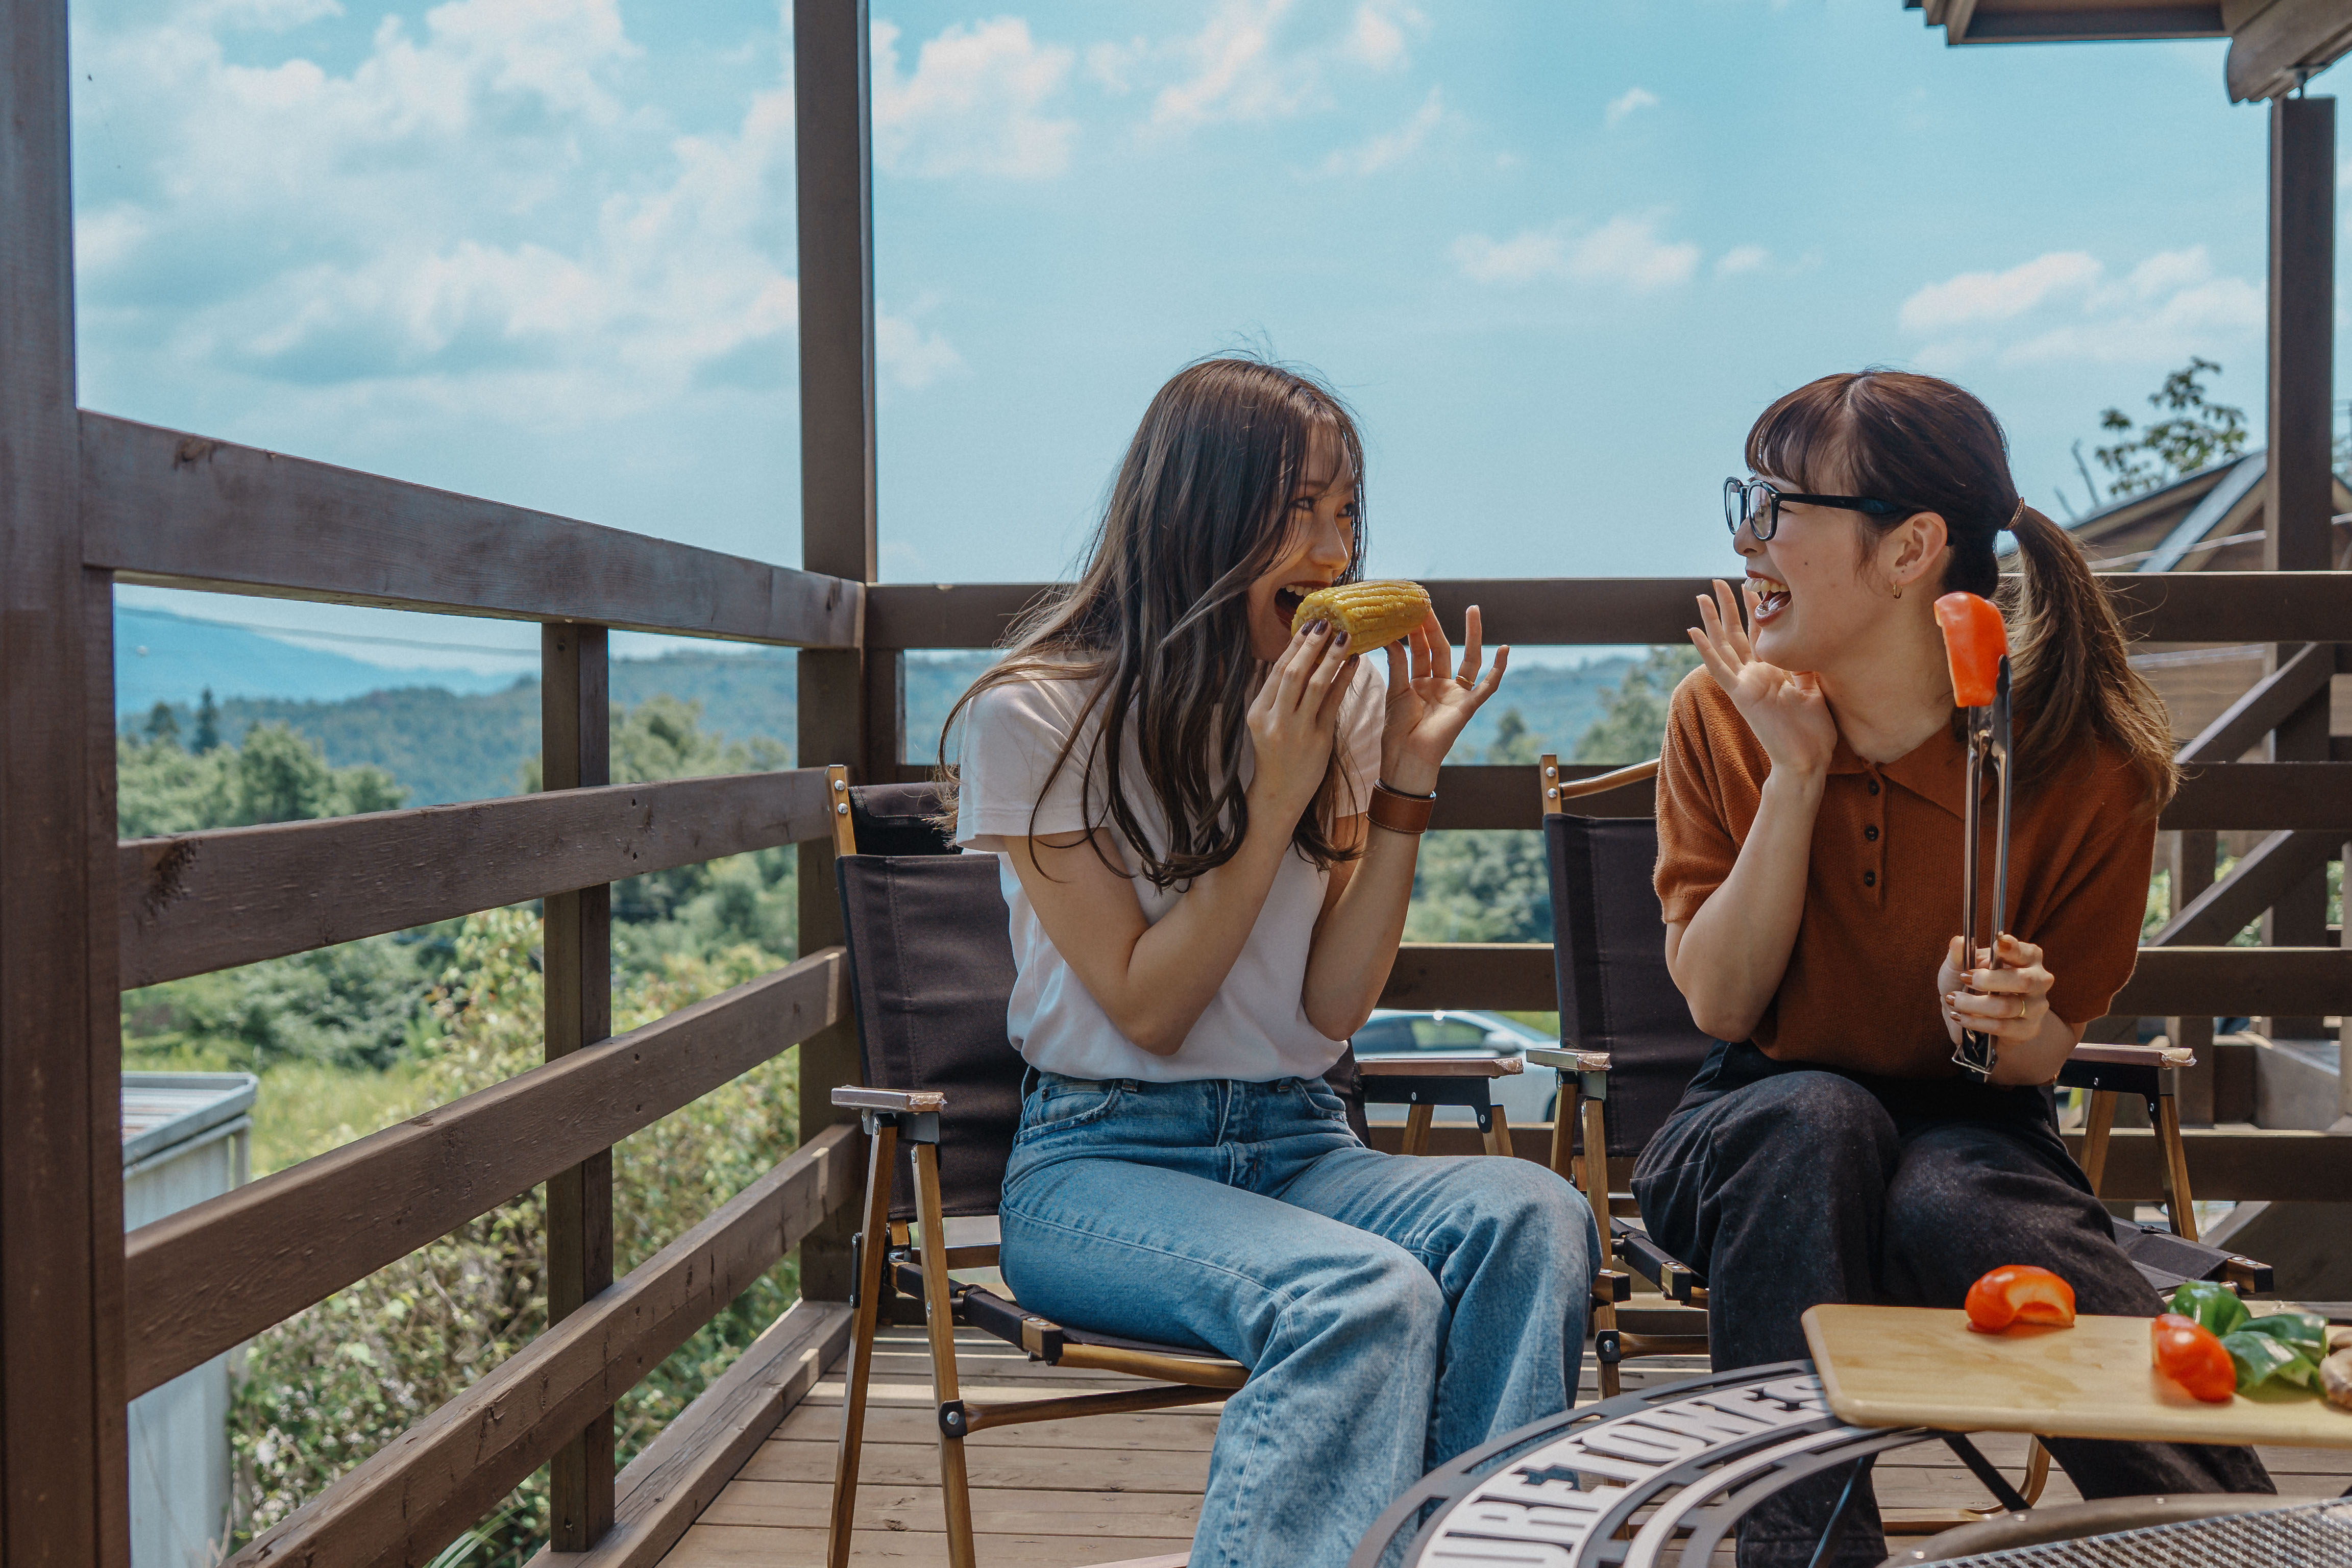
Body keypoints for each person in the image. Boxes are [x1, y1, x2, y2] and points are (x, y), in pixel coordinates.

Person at [945, 356, 1600, 1567]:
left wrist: (1405, 777)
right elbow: (1150, 1007)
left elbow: (1335, 1002)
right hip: (1101, 1162)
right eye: (1296, 508)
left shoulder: (1339, 705)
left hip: (1303, 1145)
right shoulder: (1034, 715)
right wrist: (1266, 805)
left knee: (1536, 1214)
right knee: (1363, 1296)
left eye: (1345, 511)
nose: (1332, 550)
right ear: (1196, 510)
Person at [1635, 370, 2273, 1567]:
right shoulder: (1717, 718)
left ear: (1912, 548)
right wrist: (1795, 776)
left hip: (1976, 1129)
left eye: (1777, 506)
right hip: (1752, 1133)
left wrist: (2016, 1017)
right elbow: (1720, 1003)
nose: (1742, 536)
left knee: (1956, 1196)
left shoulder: (2084, 764)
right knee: (1814, 1121)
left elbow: (2041, 1054)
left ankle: (2241, 1545)